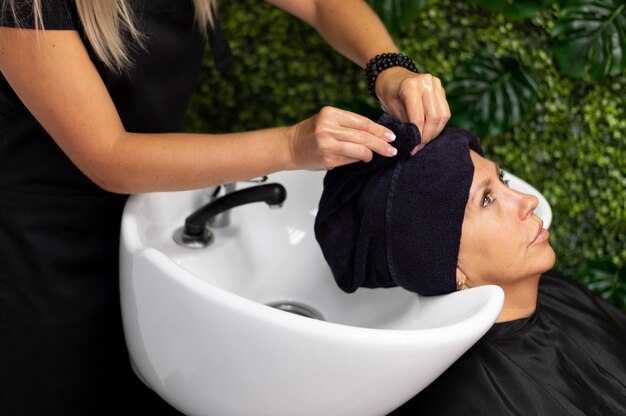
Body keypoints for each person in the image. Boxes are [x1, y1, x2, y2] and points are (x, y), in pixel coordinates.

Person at [0, 1, 451, 414]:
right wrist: (292, 145)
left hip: (156, 204)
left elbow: (318, 4)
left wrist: (389, 68)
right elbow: (108, 156)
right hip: (46, 249)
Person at [315, 114, 626, 415]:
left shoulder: (553, 289)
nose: (527, 200)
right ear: (450, 268)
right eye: (487, 199)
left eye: (502, 179)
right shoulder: (479, 399)